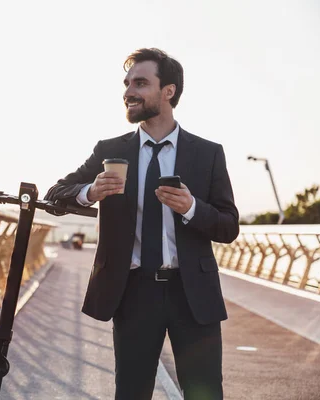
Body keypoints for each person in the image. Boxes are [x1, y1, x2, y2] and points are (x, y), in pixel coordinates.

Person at [44, 48, 239, 400]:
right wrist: (90, 191)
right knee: (131, 393)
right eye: (127, 84)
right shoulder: (109, 149)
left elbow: (228, 227)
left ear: (169, 91)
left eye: (141, 83)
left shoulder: (208, 153)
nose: (129, 92)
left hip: (193, 294)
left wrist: (192, 207)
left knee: (204, 392)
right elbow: (56, 194)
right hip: (133, 294)